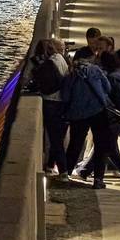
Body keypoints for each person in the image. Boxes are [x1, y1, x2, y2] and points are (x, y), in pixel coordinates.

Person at [64, 52, 120, 187]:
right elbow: (107, 87)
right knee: (101, 145)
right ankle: (98, 179)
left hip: (78, 113)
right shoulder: (95, 70)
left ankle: (66, 173)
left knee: (75, 144)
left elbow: (65, 94)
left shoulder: (71, 73)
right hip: (98, 111)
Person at [30, 38, 72, 176]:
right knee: (58, 137)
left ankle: (63, 171)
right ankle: (50, 166)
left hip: (51, 102)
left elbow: (45, 84)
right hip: (63, 102)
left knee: (55, 139)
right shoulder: (61, 59)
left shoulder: (50, 62)